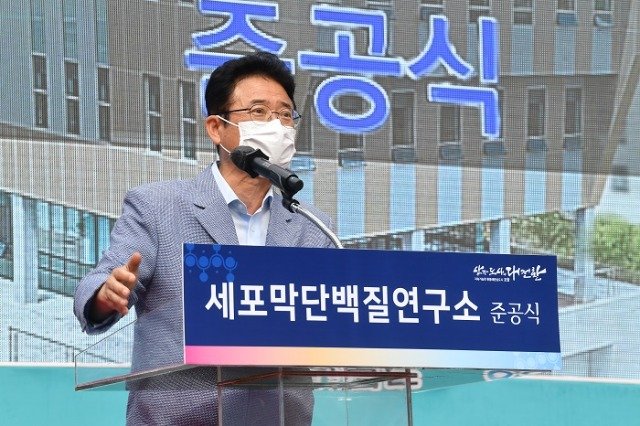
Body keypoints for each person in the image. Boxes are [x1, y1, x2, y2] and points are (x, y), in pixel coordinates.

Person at [74, 52, 335, 425]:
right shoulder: (158, 206)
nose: (276, 126)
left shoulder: (313, 225)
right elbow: (107, 278)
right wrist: (105, 294)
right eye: (259, 112)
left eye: (284, 115)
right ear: (216, 127)